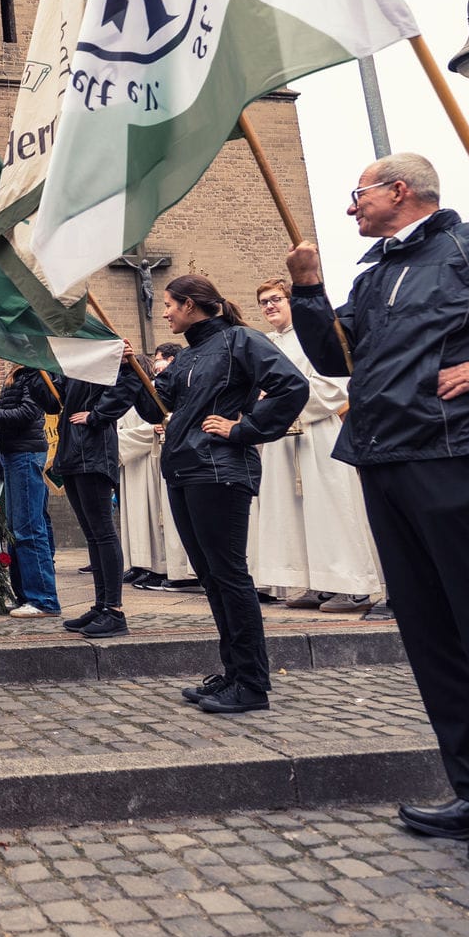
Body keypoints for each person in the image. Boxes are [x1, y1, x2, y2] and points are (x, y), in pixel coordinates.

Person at [287, 150, 469, 877]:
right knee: (433, 637)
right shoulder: (373, 273)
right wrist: (308, 291)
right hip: (386, 460)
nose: (349, 206)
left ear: (400, 190)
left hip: (462, 456)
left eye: (357, 192)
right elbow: (336, 358)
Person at [128, 275, 308, 714]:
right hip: (184, 471)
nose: (165, 311)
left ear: (191, 305)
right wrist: (131, 369)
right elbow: (156, 406)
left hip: (220, 470)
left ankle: (251, 683)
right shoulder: (189, 355)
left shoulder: (240, 340)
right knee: (211, 577)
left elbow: (292, 386)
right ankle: (232, 672)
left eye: (170, 304)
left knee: (229, 575)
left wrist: (244, 429)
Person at [248, 278, 385, 615]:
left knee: (332, 507)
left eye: (275, 299)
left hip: (320, 432)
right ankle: (315, 580)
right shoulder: (267, 344)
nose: (269, 306)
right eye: (263, 302)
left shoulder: (314, 336)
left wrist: (283, 401)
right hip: (283, 436)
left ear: (292, 301)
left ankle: (353, 585)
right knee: (291, 512)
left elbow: (336, 384)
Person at [53, 357, 143, 639]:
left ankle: (114, 611)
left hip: (93, 454)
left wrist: (96, 415)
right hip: (71, 453)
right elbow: (53, 400)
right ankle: (101, 605)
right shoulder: (76, 365)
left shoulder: (108, 356)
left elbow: (131, 381)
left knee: (103, 532)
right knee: (93, 535)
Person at [0, 365, 61, 618]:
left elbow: (28, 412)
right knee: (17, 527)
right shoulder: (18, 374)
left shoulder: (35, 373)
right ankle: (26, 596)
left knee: (29, 527)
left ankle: (44, 599)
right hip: (14, 452)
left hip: (26, 453)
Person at [118, 343, 194, 591]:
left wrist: (151, 431)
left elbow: (158, 423)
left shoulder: (160, 393)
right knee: (140, 519)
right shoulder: (132, 397)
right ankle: (146, 565)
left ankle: (172, 570)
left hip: (154, 462)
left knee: (163, 521)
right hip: (135, 464)